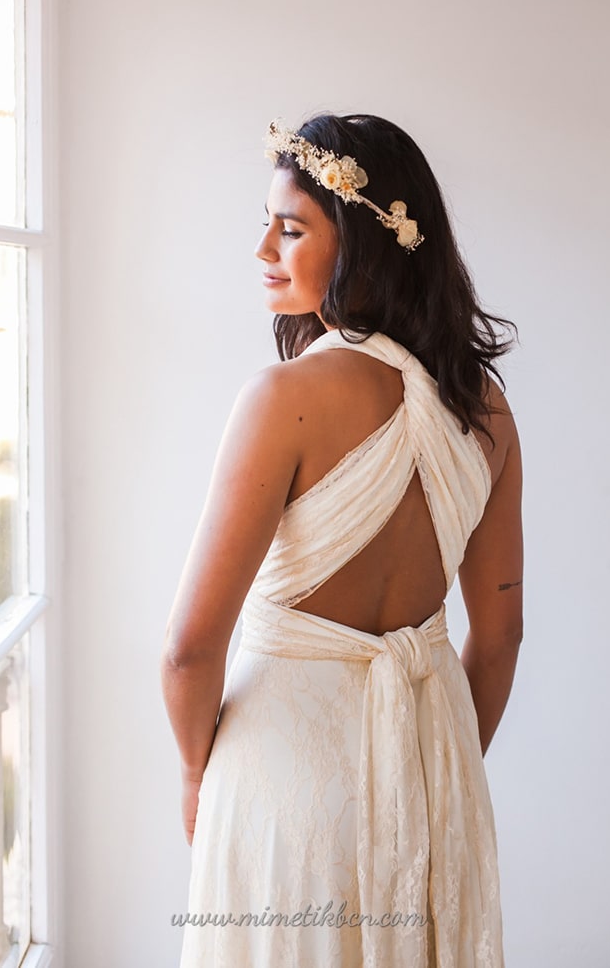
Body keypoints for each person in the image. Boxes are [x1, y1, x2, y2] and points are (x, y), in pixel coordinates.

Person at [161, 112, 523, 968]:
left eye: (290, 230)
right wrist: (439, 769)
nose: (263, 249)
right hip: (432, 765)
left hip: (288, 778)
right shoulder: (487, 411)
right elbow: (501, 634)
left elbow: (189, 649)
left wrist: (195, 774)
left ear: (364, 246)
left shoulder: (283, 398)